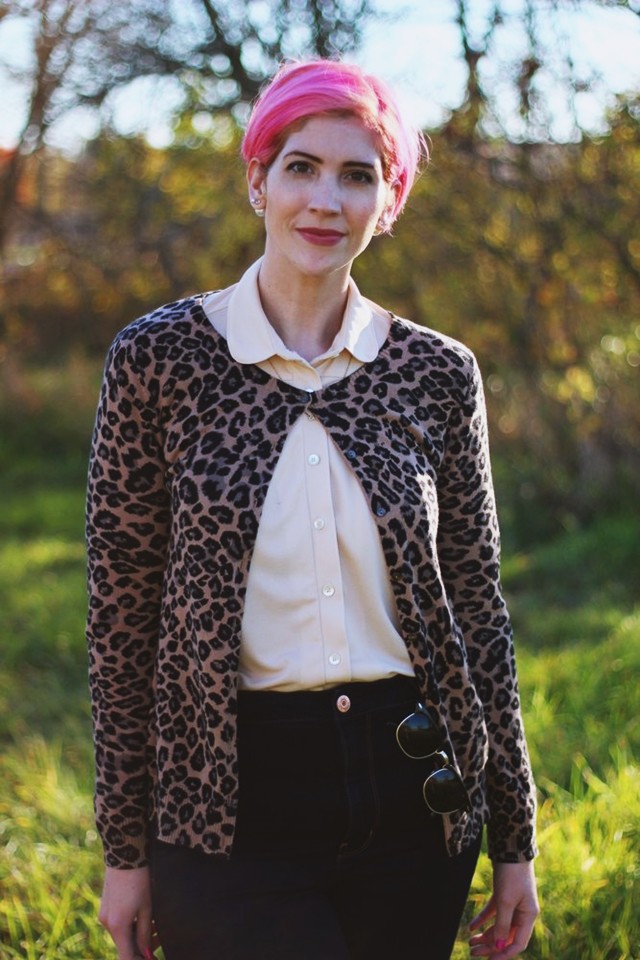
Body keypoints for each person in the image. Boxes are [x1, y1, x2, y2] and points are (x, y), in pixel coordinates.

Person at [86, 58, 540, 960]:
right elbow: (119, 618)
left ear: (389, 201)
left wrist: (514, 835)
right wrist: (125, 851)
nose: (325, 200)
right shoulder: (162, 360)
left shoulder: (437, 372)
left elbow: (476, 603)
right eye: (301, 166)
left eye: (357, 174)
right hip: (224, 802)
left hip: (414, 793)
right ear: (258, 181)